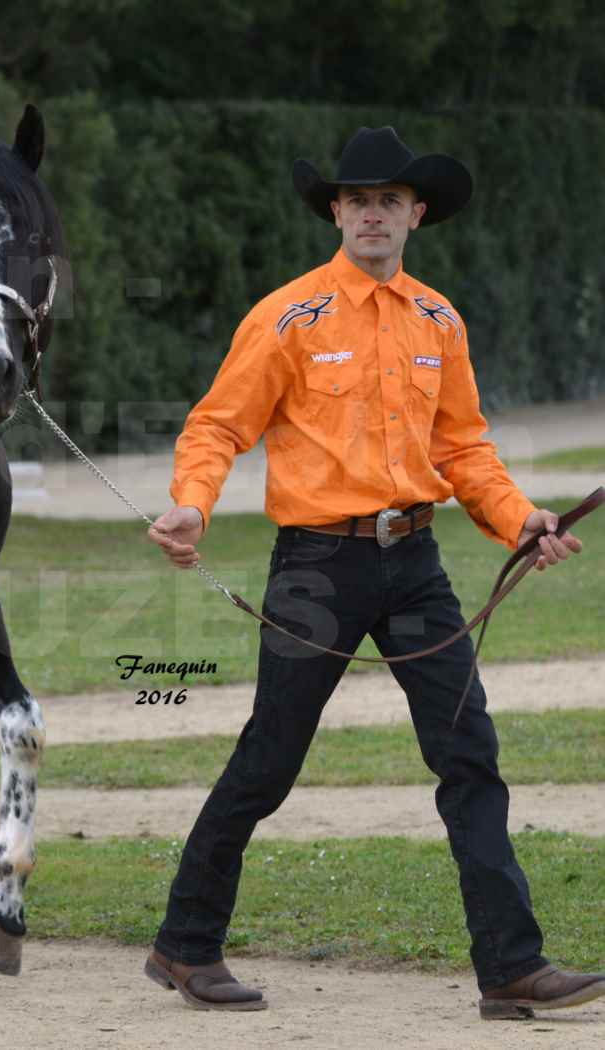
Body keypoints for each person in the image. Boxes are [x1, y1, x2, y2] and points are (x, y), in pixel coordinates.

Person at [142, 126, 601, 1019]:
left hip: (417, 565)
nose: (372, 215)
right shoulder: (287, 316)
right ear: (336, 213)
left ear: (415, 214)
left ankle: (510, 969)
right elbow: (215, 427)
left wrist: (522, 521)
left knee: (469, 754)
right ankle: (185, 945)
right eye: (356, 201)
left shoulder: (439, 320)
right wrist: (192, 503)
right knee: (268, 762)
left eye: (390, 200)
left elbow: (464, 449)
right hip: (316, 563)